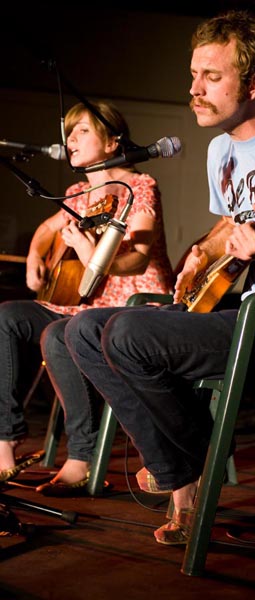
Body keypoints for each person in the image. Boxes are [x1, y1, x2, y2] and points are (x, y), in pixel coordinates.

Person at [62, 9, 255, 544]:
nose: (194, 89)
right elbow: (229, 225)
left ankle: (191, 467)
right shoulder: (221, 150)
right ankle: (188, 465)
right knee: (78, 331)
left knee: (128, 335)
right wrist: (202, 251)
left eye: (211, 77)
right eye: (193, 75)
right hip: (240, 311)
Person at [0, 100, 174, 490]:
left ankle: (80, 458)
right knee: (7, 316)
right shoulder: (78, 193)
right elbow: (47, 229)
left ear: (112, 142)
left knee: (60, 335)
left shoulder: (139, 186)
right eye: (69, 132)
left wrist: (88, 253)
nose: (70, 139)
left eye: (82, 131)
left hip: (132, 305)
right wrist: (33, 258)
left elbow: (137, 261)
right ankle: (6, 438)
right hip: (82, 302)